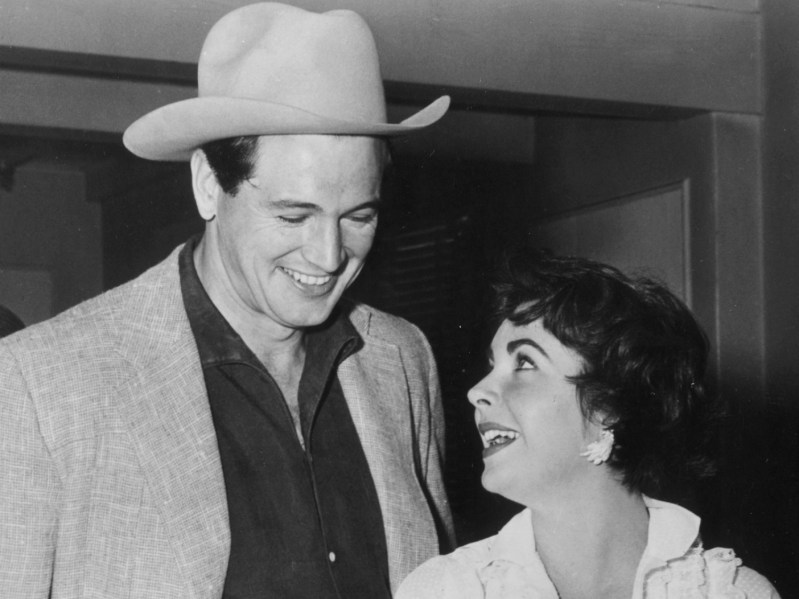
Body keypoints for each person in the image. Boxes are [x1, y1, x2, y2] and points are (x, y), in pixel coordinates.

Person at [0, 3, 454, 598]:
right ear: (209, 185)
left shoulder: (403, 359)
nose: (328, 255)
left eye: (359, 216)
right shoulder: (41, 382)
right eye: (294, 214)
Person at [397, 249, 780, 599]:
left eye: (525, 363)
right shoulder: (446, 589)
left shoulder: (731, 592)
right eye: (492, 366)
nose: (476, 391)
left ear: (609, 406)